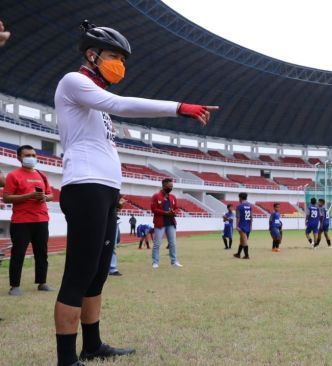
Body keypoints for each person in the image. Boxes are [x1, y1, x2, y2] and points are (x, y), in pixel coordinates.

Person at [53, 20, 217, 366]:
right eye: (114, 56)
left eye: (123, 59)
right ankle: (66, 359)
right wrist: (178, 107)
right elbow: (123, 104)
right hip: (85, 186)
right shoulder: (75, 82)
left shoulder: (95, 99)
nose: (120, 64)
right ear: (91, 54)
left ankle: (92, 345)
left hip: (105, 190)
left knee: (97, 272)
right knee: (79, 272)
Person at [3, 145, 56, 296]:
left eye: (33, 155)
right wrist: (29, 196)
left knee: (42, 253)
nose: (31, 157)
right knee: (18, 253)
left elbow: (51, 195)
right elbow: (6, 197)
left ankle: (42, 282)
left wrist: (45, 197)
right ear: (19, 157)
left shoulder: (41, 175)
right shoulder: (13, 175)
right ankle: (14, 286)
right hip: (21, 221)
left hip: (41, 219)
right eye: (27, 155)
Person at [151, 178, 183, 268]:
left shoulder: (172, 197)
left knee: (172, 243)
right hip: (160, 224)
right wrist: (165, 213)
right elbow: (153, 209)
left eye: (172, 186)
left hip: (171, 223)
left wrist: (174, 212)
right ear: (164, 186)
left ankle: (174, 261)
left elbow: (177, 208)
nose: (171, 187)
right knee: (157, 243)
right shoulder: (156, 196)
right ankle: (155, 262)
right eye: (169, 186)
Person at [233, 192, 252, 259]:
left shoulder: (239, 206)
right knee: (242, 240)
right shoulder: (249, 205)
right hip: (248, 225)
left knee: (244, 240)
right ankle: (238, 254)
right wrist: (251, 226)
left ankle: (247, 255)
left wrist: (237, 226)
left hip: (242, 225)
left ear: (240, 198)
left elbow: (238, 217)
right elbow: (251, 217)